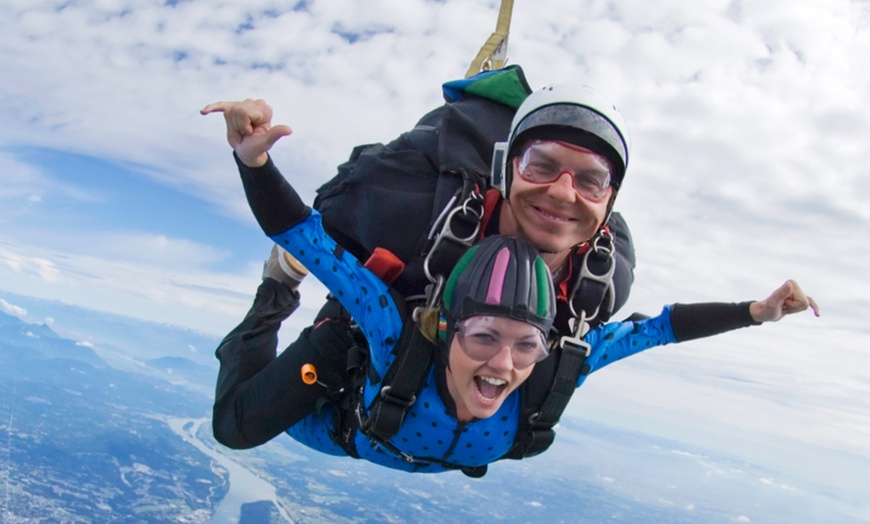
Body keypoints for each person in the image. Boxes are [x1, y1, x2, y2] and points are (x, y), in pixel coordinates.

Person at [204, 104, 819, 475]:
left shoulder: (562, 366)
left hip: (380, 431)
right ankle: (273, 294)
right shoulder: (392, 332)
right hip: (336, 417)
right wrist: (253, 162)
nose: (503, 363)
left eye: (526, 344)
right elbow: (306, 239)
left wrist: (756, 313)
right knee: (235, 428)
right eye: (484, 337)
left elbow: (657, 330)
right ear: (445, 328)